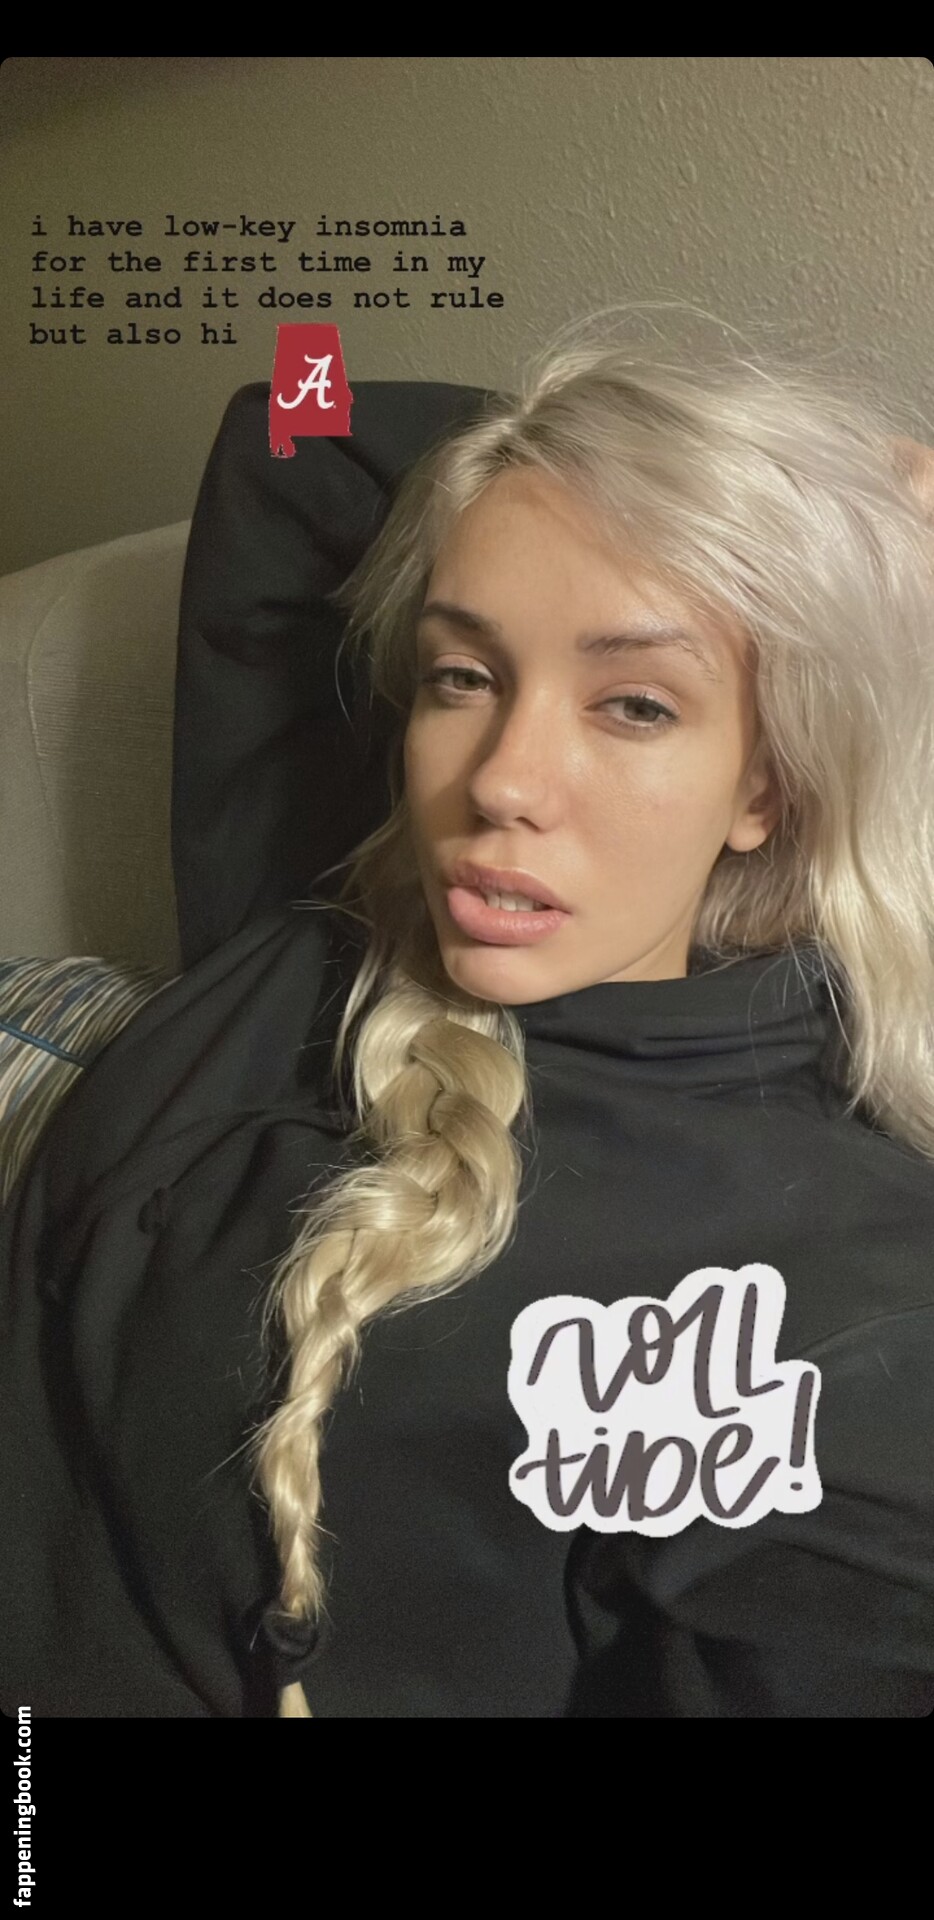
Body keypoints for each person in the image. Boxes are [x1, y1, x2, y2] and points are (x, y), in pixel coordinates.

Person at [2, 310, 934, 1718]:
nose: (500, 779)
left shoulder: (835, 1262)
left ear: (767, 785)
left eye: (634, 705)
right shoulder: (316, 907)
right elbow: (288, 420)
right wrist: (765, 478)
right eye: (463, 676)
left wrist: (851, 549)